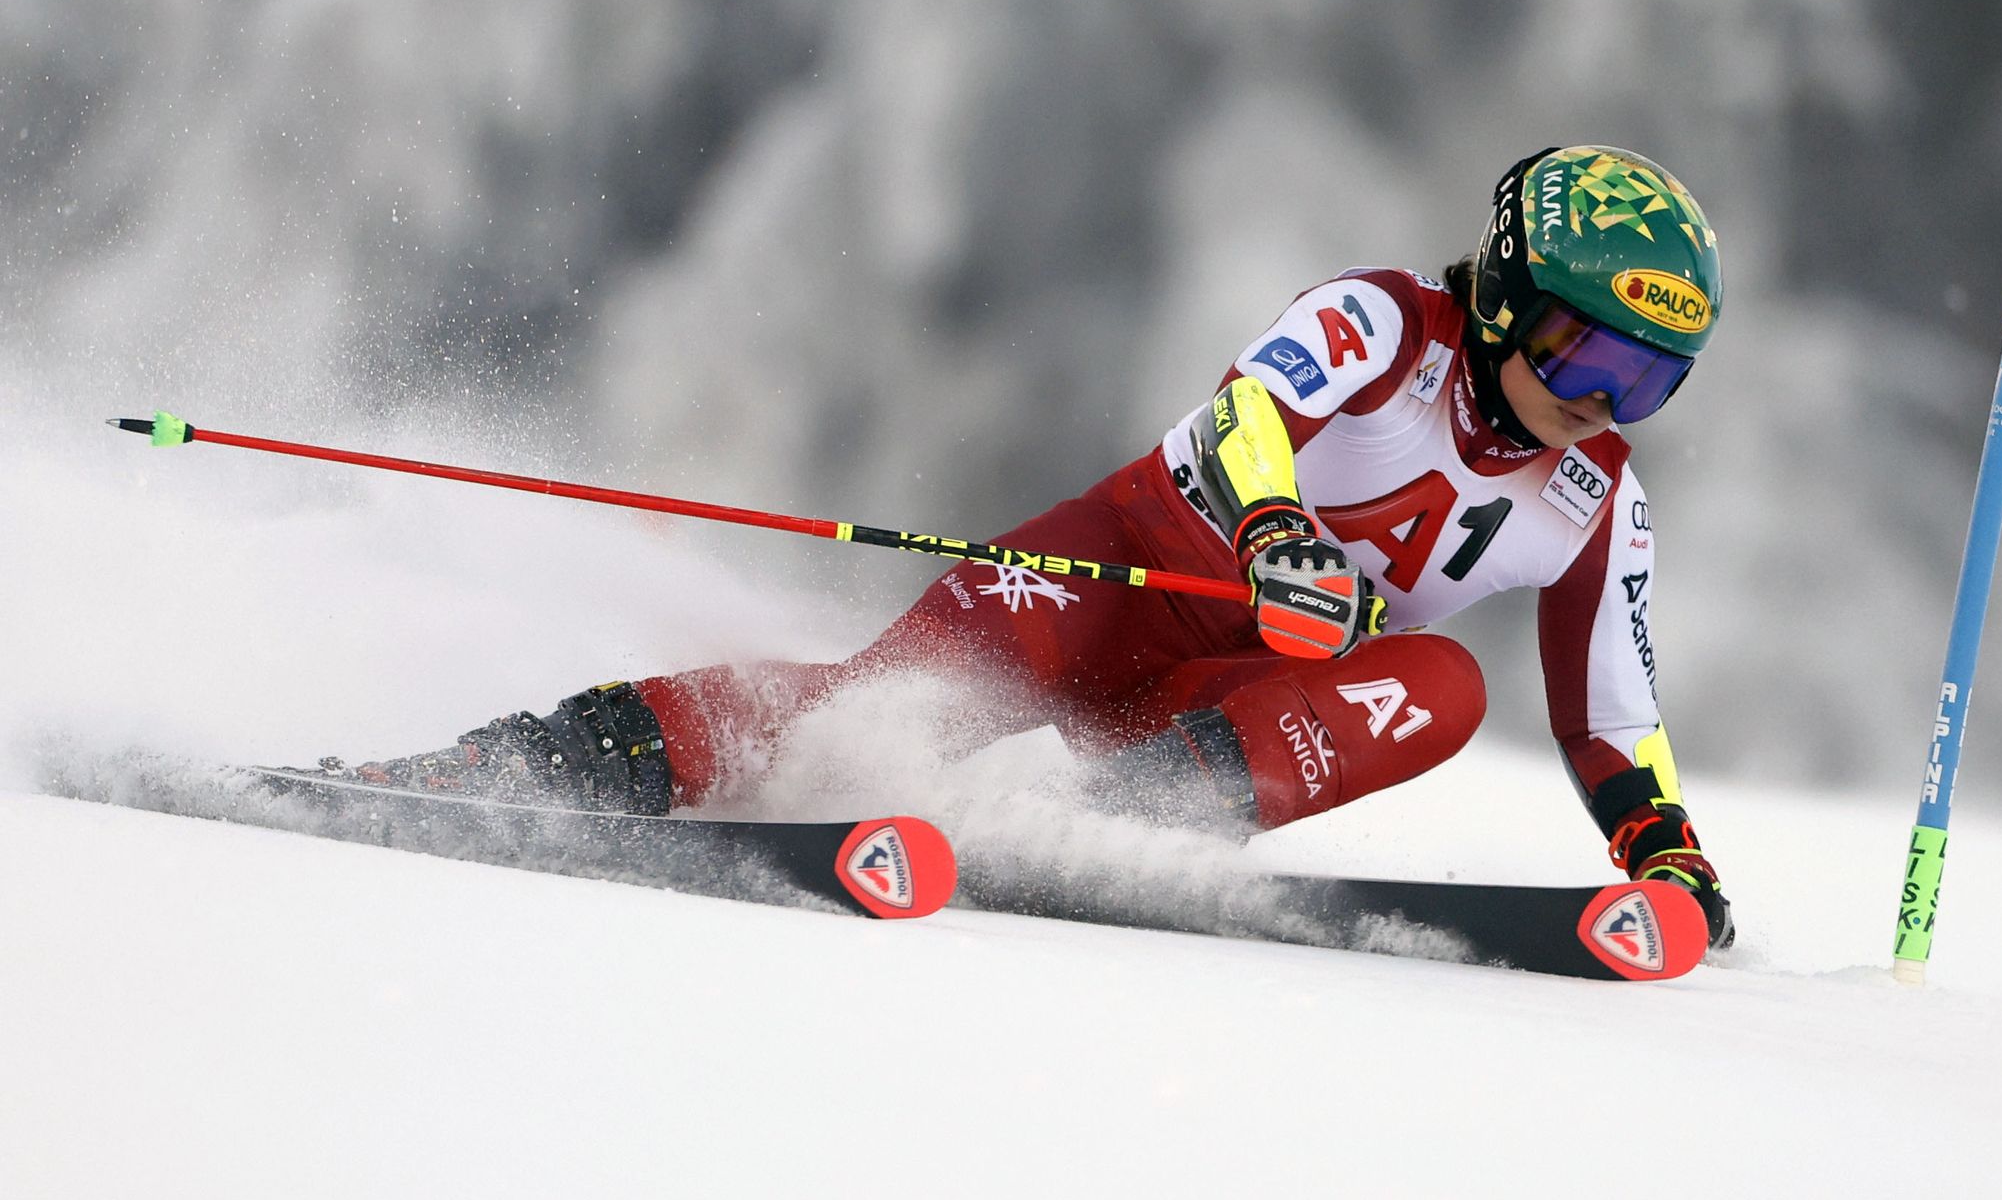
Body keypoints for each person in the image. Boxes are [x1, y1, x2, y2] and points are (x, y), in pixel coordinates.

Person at [334, 145, 1735, 946]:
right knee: (870, 719)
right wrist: (1274, 534)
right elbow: (1251, 413)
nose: (1604, 403)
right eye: (1589, 355)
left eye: (1650, 381)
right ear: (1506, 298)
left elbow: (1611, 712)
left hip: (1223, 702)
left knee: (1444, 687)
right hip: (1111, 578)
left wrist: (1663, 853)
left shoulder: (1597, 502)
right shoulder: (1382, 323)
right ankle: (534, 762)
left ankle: (1115, 823)